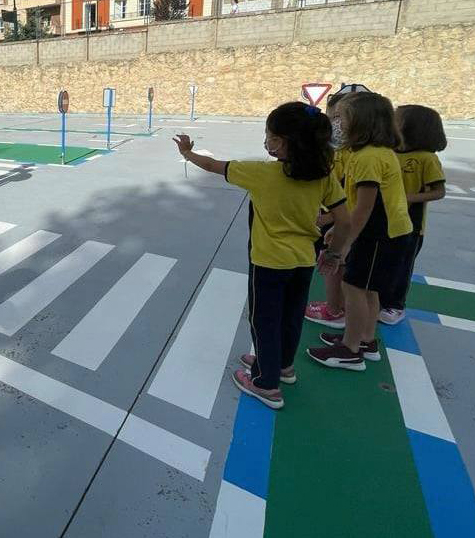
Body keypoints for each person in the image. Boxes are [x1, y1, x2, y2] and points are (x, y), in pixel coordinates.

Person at [173, 101, 351, 409]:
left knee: (264, 321)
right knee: (292, 317)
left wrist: (187, 153)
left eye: (269, 135)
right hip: (304, 261)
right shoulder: (323, 176)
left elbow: (214, 166)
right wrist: (334, 254)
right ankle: (283, 367)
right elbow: (344, 220)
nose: (266, 140)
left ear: (281, 142)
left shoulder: (259, 173)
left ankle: (265, 383)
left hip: (269, 263)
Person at [307, 92, 414, 371]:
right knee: (369, 288)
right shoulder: (370, 154)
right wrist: (336, 229)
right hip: (389, 233)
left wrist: (342, 244)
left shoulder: (368, 158)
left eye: (342, 118)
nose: (337, 124)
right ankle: (365, 339)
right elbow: (355, 203)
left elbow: (364, 208)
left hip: (380, 234)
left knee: (353, 286)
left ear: (362, 123)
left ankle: (350, 349)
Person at [304, 84, 372, 328]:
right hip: (338, 218)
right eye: (333, 117)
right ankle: (337, 307)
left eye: (339, 118)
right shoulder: (348, 150)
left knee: (337, 264)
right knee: (339, 266)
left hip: (340, 219)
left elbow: (350, 195)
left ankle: (334, 310)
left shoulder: (360, 155)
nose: (336, 124)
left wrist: (331, 219)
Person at [378, 105, 447, 324]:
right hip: (383, 220)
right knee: (381, 262)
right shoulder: (389, 153)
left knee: (401, 266)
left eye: (397, 118)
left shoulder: (427, 159)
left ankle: (395, 305)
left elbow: (438, 192)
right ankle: (377, 300)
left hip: (411, 226)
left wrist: (406, 198)